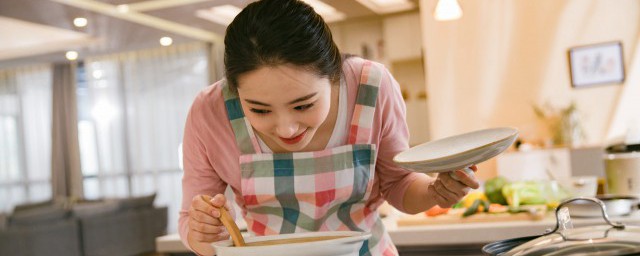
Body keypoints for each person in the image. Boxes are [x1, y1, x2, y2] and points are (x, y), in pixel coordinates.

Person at [179, 0, 479, 255]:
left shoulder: (370, 87)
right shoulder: (210, 112)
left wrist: (436, 191)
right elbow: (191, 225)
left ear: (335, 75)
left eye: (303, 105)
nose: (286, 128)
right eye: (259, 110)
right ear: (234, 90)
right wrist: (203, 232)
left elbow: (398, 185)